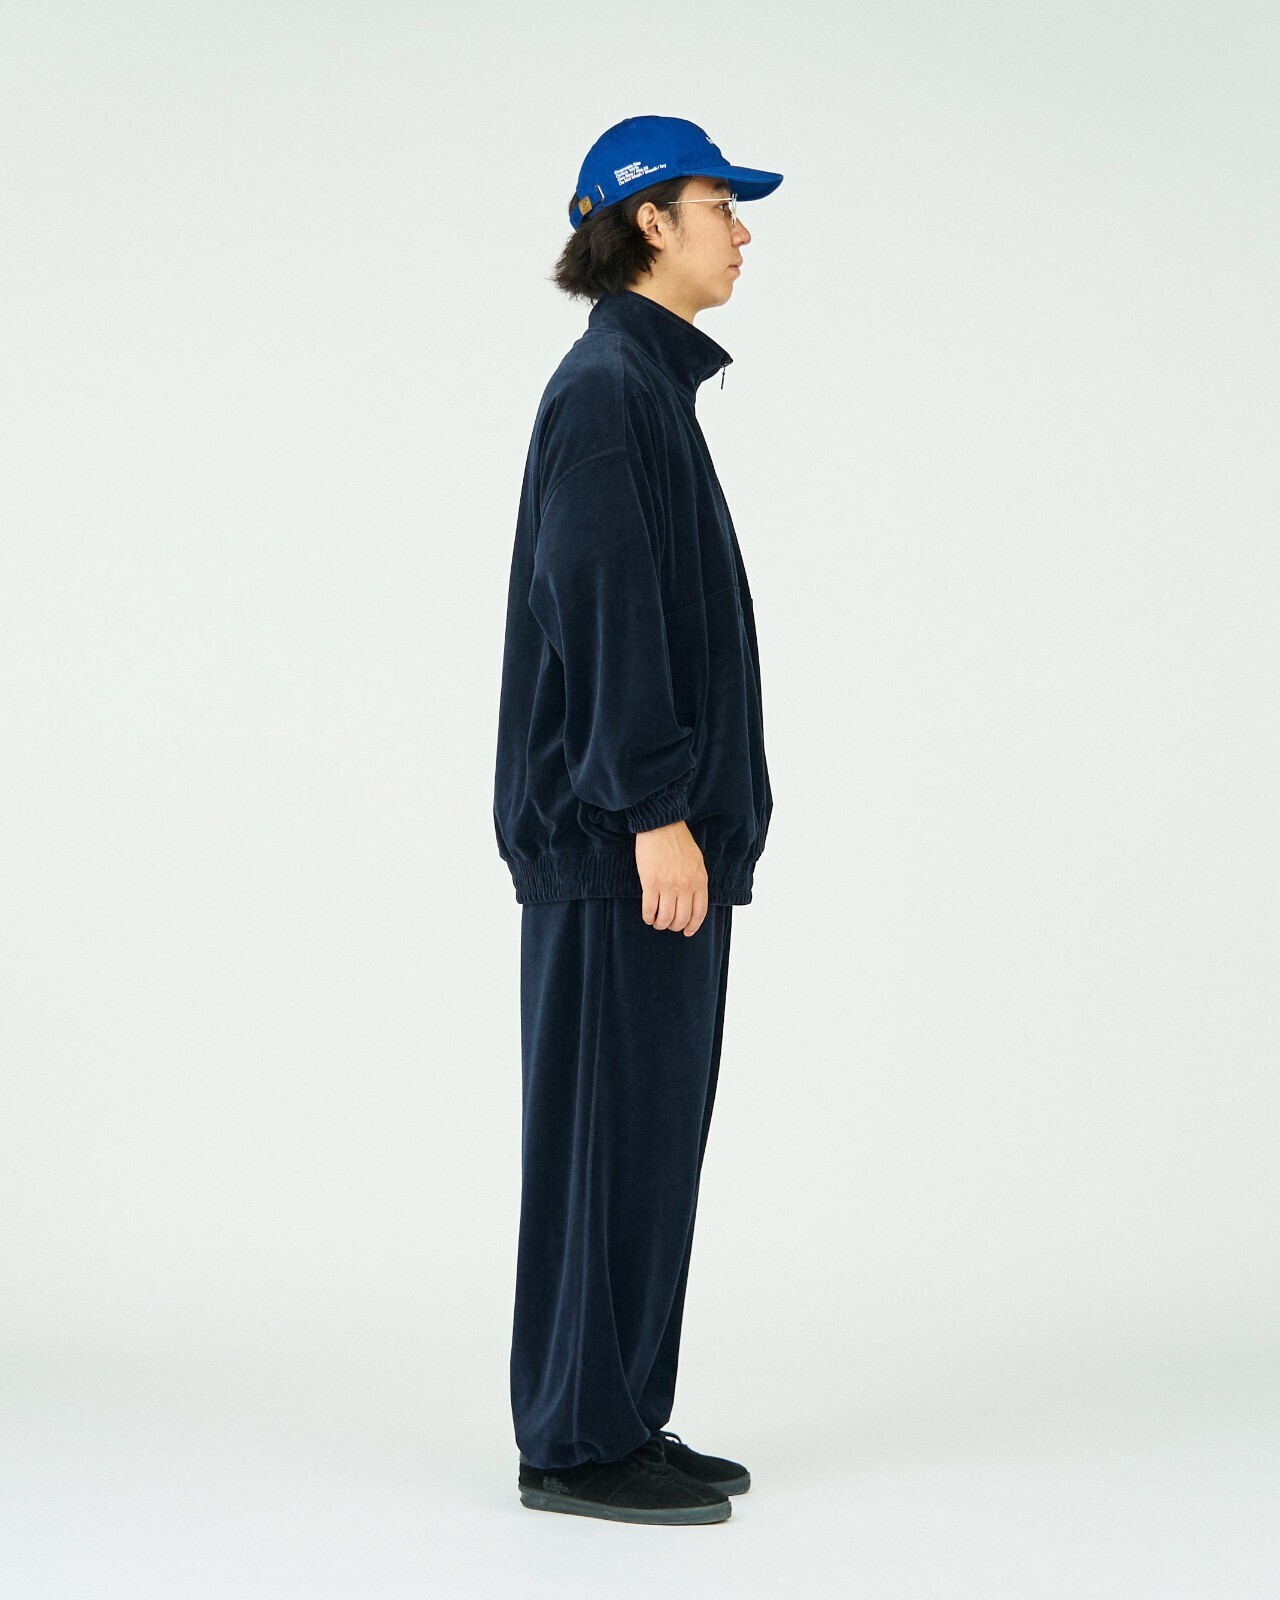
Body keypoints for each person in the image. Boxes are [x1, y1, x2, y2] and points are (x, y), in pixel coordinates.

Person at [491, 114, 782, 1526]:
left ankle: (619, 1419)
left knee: (650, 1139)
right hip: (624, 849)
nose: (745, 230)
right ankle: (573, 1441)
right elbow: (598, 602)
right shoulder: (609, 389)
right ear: (651, 219)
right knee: (607, 1139)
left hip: (656, 843)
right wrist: (654, 812)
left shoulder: (646, 390)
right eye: (724, 203)